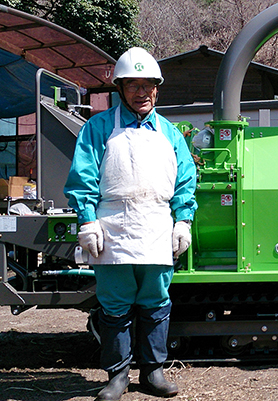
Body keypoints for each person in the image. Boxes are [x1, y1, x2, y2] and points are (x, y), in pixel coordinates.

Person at [64, 47, 198, 401]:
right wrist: (88, 221)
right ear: (120, 89)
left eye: (148, 85)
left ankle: (153, 372)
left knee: (156, 300)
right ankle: (117, 376)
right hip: (113, 227)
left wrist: (183, 220)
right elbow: (83, 178)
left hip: (156, 225)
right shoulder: (98, 127)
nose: (142, 92)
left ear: (157, 88)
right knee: (115, 303)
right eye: (133, 85)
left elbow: (185, 180)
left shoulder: (170, 133)